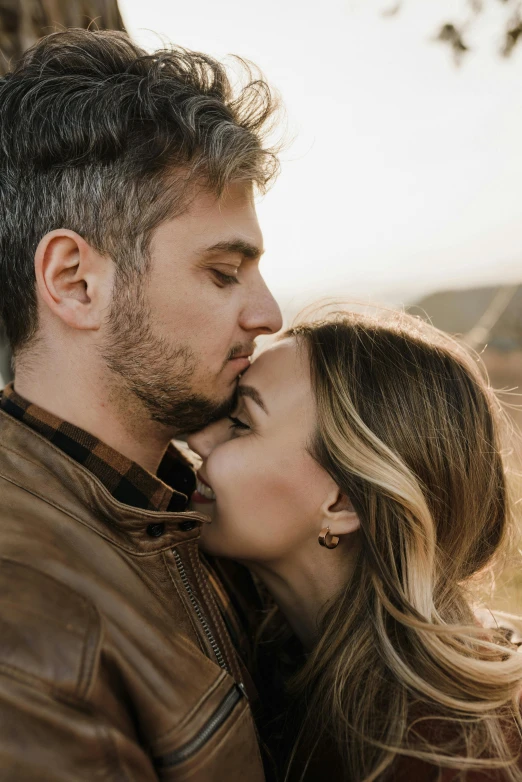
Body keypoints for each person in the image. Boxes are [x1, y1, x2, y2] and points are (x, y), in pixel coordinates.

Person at [0, 28, 283, 780]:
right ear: (75, 282)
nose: (269, 314)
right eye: (224, 273)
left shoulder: (199, 496)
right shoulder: (24, 632)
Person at [188, 309, 522, 782]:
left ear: (342, 502)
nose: (199, 438)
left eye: (241, 424)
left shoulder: (429, 757)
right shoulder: (290, 649)